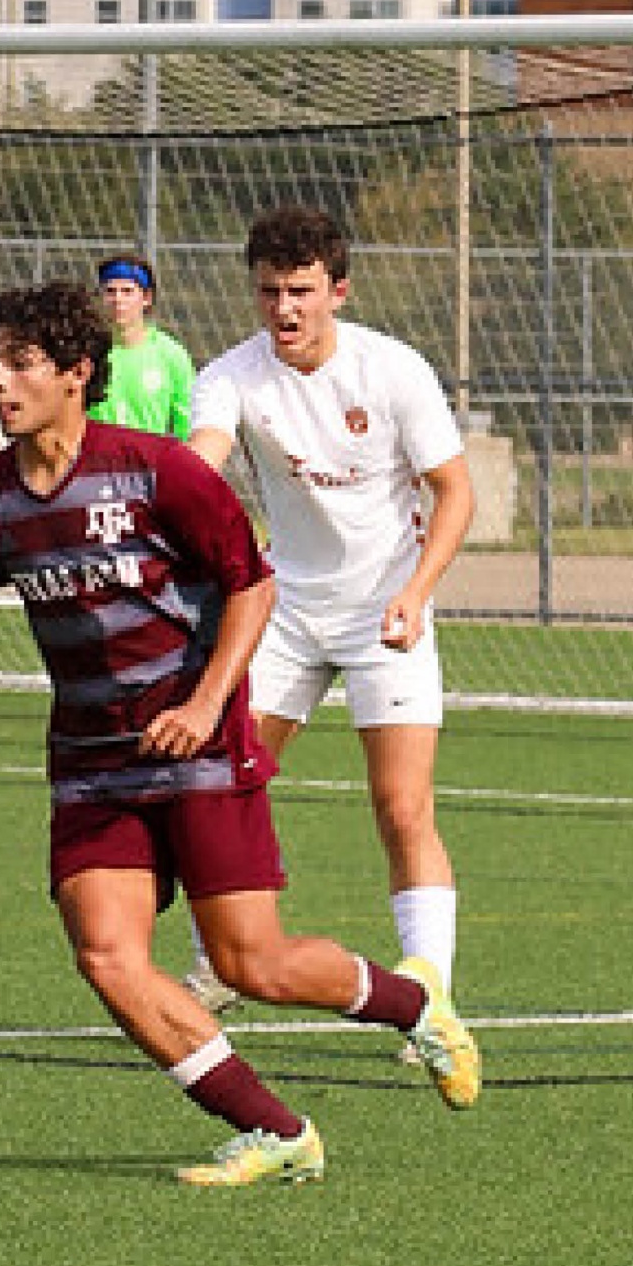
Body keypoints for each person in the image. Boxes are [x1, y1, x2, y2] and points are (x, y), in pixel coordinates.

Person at [0, 281, 478, 1188]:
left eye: (22, 363)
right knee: (107, 956)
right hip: (91, 768)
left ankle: (417, 1009)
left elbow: (252, 584)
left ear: (78, 374)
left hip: (197, 751)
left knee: (255, 963)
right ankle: (275, 1131)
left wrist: (204, 706)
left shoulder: (159, 471)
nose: (0, 381)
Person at [181, 207, 473, 1017]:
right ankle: (218, 962)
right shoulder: (232, 374)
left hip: (388, 610)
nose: (285, 309)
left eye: (302, 291)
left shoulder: (394, 370)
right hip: (286, 611)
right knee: (228, 785)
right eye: (270, 291)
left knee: (402, 805)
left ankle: (429, 990)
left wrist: (416, 594)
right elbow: (204, 458)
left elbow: (455, 491)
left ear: (337, 291)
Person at [86, 254, 196, 439]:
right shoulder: (87, 351)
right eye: (110, 291)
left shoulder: (171, 354)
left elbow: (187, 424)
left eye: (127, 291)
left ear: (146, 298)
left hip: (148, 465)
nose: (118, 299)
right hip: (95, 465)